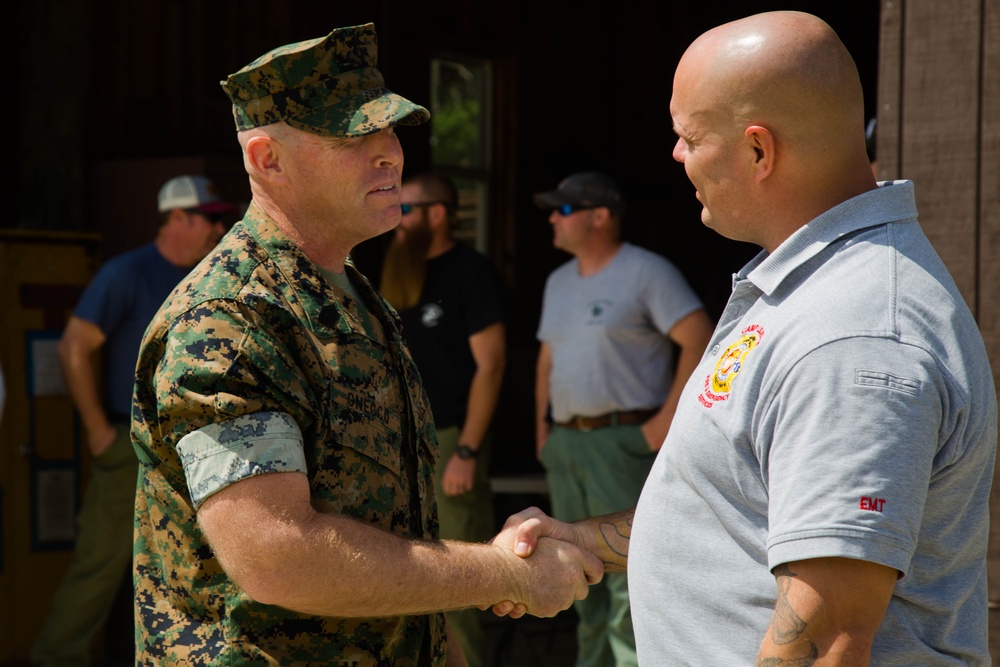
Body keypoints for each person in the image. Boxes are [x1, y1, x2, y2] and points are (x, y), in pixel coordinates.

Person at [498, 10, 998, 666]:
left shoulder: (850, 337)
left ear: (759, 150)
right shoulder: (811, 290)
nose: (676, 154)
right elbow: (736, 507)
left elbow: (826, 641)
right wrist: (584, 539)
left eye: (689, 135)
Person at [130, 23, 601, 666]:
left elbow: (396, 535)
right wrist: (505, 573)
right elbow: (277, 555)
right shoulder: (230, 320)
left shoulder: (350, 292)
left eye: (391, 132)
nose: (390, 155)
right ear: (267, 159)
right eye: (355, 136)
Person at [31, 174, 232, 667]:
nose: (220, 226)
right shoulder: (128, 273)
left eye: (221, 218)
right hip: (133, 445)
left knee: (205, 567)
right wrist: (97, 428)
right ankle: (58, 657)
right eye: (209, 218)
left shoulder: (216, 273)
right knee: (100, 563)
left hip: (202, 445)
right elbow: (74, 346)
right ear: (177, 218)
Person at [531, 172, 714, 667]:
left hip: (621, 442)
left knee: (629, 574)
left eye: (563, 210)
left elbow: (700, 336)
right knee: (574, 571)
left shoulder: (645, 271)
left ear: (600, 216)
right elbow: (548, 359)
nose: (552, 217)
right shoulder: (557, 281)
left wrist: (664, 422)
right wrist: (543, 431)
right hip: (568, 445)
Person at [380, 170, 506, 667]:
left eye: (405, 209)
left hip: (451, 440)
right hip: (398, 443)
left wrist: (467, 450)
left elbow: (491, 365)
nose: (397, 218)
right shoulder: (395, 271)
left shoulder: (470, 272)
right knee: (403, 578)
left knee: (459, 578)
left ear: (438, 214)